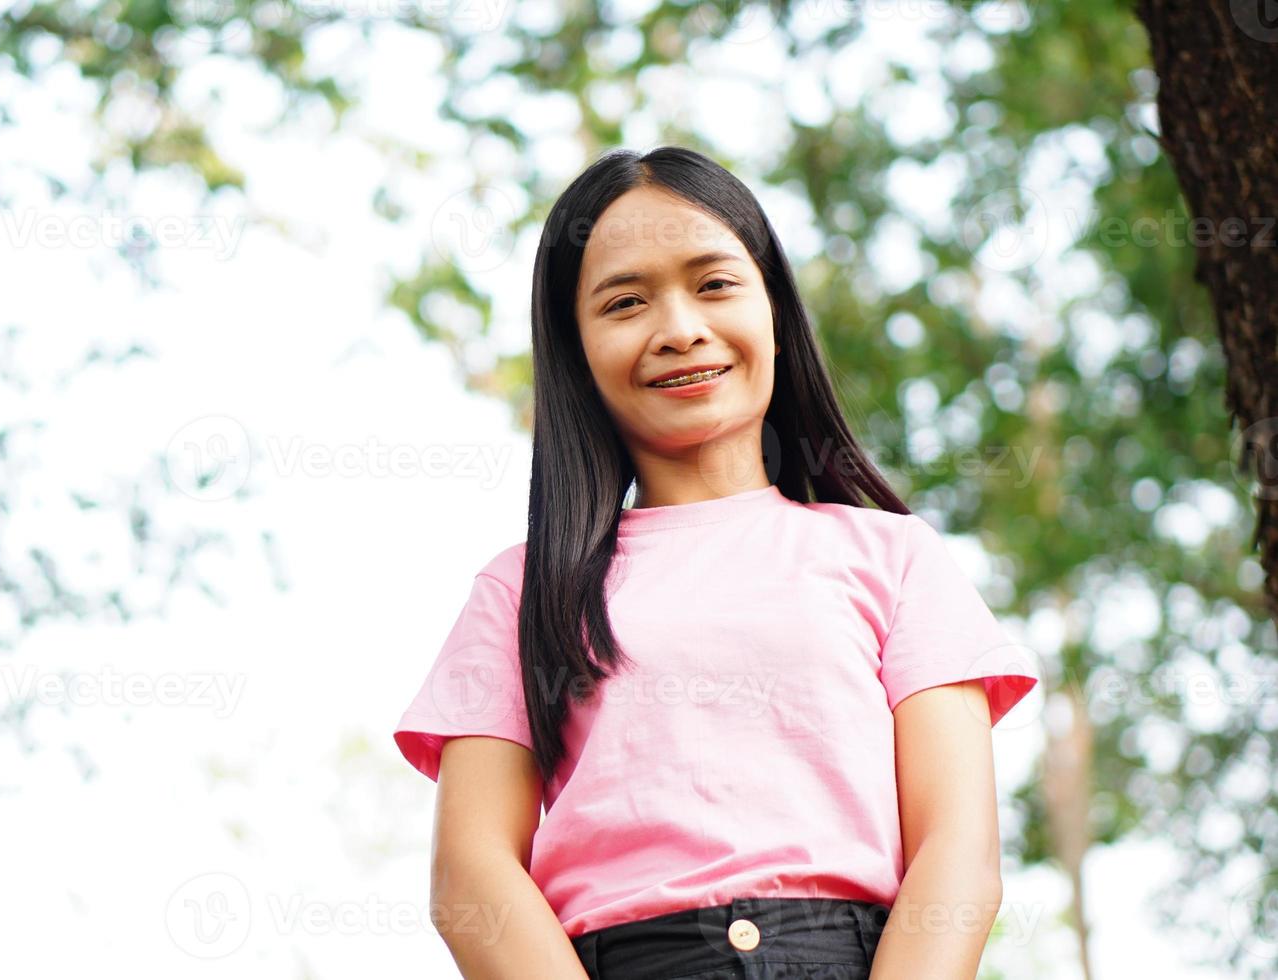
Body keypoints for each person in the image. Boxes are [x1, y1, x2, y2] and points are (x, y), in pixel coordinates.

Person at [393, 145, 1041, 980]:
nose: (679, 329)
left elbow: (957, 855)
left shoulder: (894, 556)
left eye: (714, 283)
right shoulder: (521, 590)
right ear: (576, 348)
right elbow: (470, 878)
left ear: (773, 307)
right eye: (625, 301)